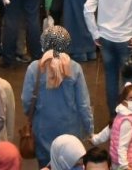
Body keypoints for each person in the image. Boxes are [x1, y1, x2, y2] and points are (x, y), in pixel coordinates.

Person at [22, 27, 94, 167]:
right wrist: (89, 129)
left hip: (43, 130)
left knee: (45, 164)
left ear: (43, 43)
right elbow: (83, 104)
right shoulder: (75, 68)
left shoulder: (34, 68)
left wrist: (29, 113)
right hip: (71, 131)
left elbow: (26, 101)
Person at [91, 84, 132, 169]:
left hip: (118, 162)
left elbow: (108, 130)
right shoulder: (128, 121)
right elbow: (122, 146)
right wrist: (125, 166)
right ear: (124, 101)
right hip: (129, 164)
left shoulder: (121, 116)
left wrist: (95, 139)